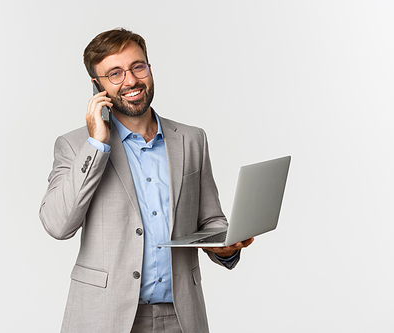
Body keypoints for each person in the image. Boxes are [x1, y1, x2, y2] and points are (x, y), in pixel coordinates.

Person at [39, 28, 254, 333]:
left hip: (181, 317)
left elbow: (211, 221)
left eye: (138, 66)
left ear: (149, 69)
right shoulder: (76, 146)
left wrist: (225, 246)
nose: (130, 80)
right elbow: (57, 225)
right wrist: (97, 143)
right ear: (96, 86)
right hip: (104, 317)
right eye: (115, 73)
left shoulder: (192, 140)